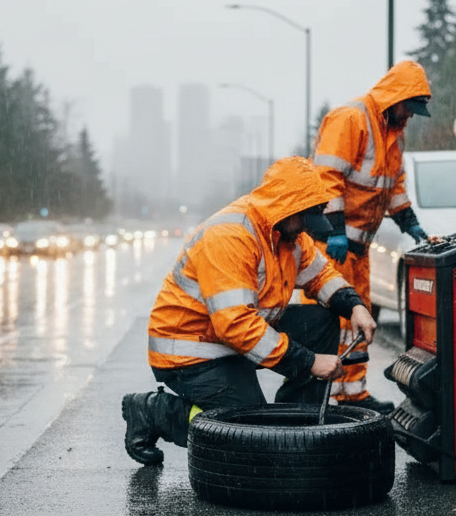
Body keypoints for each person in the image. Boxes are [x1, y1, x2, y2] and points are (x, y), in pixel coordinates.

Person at [121, 156, 379, 466]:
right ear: (287, 208)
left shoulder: (289, 234)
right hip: (192, 353)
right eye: (305, 219)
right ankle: (155, 412)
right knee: (250, 436)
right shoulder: (231, 237)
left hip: (234, 340)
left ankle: (296, 423)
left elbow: (321, 275)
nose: (306, 230)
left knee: (321, 321)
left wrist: (355, 306)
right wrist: (310, 363)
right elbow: (236, 326)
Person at [309, 59, 433, 413]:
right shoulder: (350, 120)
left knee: (357, 323)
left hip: (357, 249)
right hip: (333, 246)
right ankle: (326, 398)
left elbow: (392, 187)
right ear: (396, 98)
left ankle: (353, 394)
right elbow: (327, 177)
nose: (410, 116)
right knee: (332, 321)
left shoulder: (393, 136)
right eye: (409, 108)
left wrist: (411, 224)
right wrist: (334, 232)